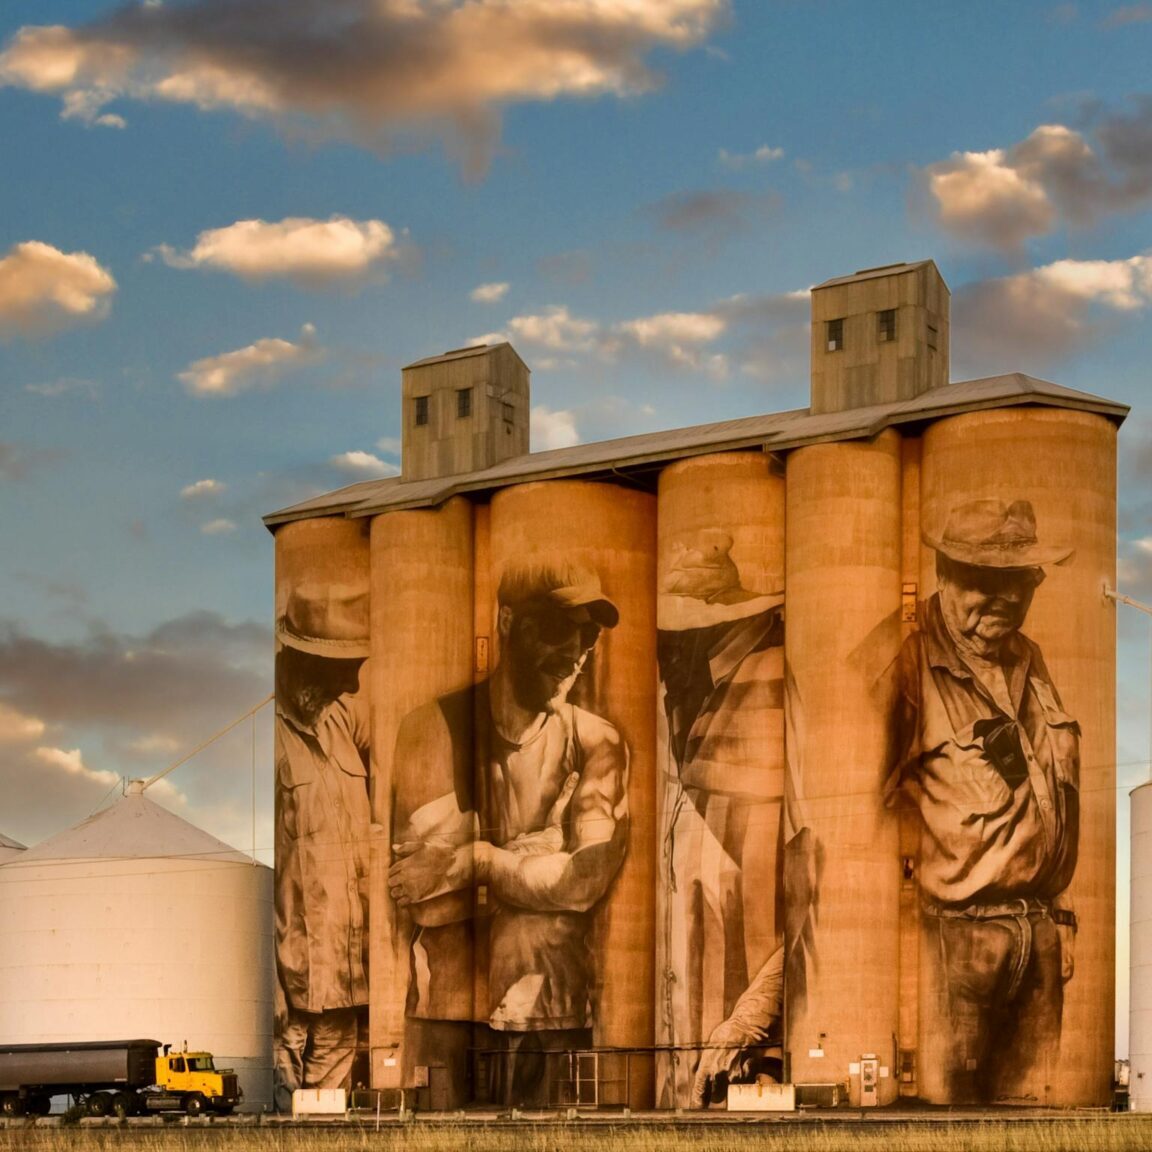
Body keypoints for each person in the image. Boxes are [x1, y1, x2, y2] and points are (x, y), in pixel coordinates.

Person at [388, 561, 629, 1107]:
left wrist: (476, 859)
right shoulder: (435, 728)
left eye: (587, 635)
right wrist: (544, 843)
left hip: (553, 1009)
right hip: (448, 1011)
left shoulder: (596, 741)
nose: (573, 651)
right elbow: (424, 898)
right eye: (553, 628)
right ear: (506, 621)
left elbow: (585, 878)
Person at [885, 499, 1079, 1104]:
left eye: (1015, 581)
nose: (1000, 598)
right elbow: (856, 812)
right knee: (948, 1123)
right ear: (943, 575)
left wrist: (1062, 917)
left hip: (1041, 937)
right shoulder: (905, 665)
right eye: (980, 579)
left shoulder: (1031, 660)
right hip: (956, 942)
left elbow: (1055, 799)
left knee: (1034, 1125)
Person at [654, 531, 786, 1108]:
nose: (664, 651)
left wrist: (748, 1022)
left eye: (676, 635)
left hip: (749, 1028)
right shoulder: (688, 693)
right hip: (699, 1029)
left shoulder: (776, 678)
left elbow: (821, 899)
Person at [273, 582, 372, 1106]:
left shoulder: (342, 723)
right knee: (284, 1103)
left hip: (346, 973)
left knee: (325, 1116)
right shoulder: (268, 738)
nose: (353, 683)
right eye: (341, 668)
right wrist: (269, 987)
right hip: (293, 985)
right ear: (299, 660)